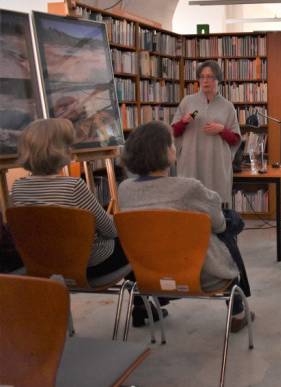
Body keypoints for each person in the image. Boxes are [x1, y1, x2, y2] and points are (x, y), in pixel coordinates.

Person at [118, 120, 252, 332]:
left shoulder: (124, 189)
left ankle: (141, 306)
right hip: (200, 276)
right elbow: (218, 224)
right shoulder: (188, 189)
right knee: (230, 224)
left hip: (146, 276)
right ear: (166, 152)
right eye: (172, 143)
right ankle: (237, 312)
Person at [10, 118, 130, 279]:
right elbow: (110, 231)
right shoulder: (74, 187)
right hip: (89, 264)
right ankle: (142, 293)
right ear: (57, 150)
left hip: (44, 263)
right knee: (136, 241)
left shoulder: (18, 187)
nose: (71, 148)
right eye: (68, 144)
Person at [171, 60, 241, 208]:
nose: (205, 80)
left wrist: (222, 129)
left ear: (218, 79)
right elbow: (173, 132)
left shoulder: (228, 107)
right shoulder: (187, 101)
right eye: (202, 77)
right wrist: (183, 122)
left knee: (215, 207)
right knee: (190, 205)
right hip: (191, 162)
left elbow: (235, 140)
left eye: (209, 76)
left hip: (216, 164)